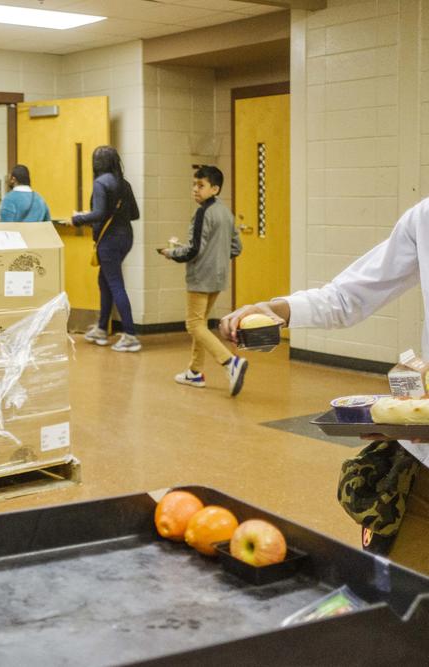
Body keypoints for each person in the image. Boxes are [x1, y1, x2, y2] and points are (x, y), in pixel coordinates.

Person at [218, 196, 429, 574]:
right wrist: (277, 310)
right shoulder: (425, 218)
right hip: (424, 472)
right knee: (402, 603)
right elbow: (349, 296)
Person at [158, 166, 247, 397]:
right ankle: (195, 371)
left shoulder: (202, 213)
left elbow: (193, 250)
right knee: (202, 323)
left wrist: (171, 253)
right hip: (218, 277)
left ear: (214, 188)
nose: (195, 190)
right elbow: (236, 247)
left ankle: (230, 363)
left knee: (193, 324)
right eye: (194, 185)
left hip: (200, 277)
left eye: (201, 185)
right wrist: (217, 258)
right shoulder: (226, 212)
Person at [71, 146, 141, 352]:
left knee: (115, 283)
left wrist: (78, 218)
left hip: (108, 240)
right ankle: (101, 328)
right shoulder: (124, 183)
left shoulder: (101, 183)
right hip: (126, 237)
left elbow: (100, 214)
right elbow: (134, 214)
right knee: (105, 280)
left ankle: (130, 335)